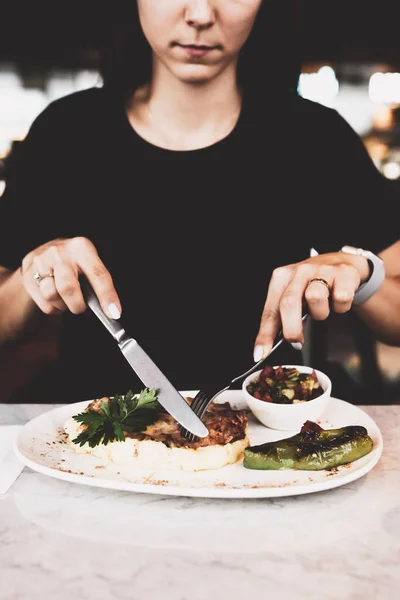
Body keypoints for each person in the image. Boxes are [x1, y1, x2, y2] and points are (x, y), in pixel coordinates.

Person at [1, 0, 400, 404]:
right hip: (93, 436)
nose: (200, 16)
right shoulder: (66, 132)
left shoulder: (315, 137)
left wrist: (362, 271)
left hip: (265, 437)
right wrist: (32, 275)